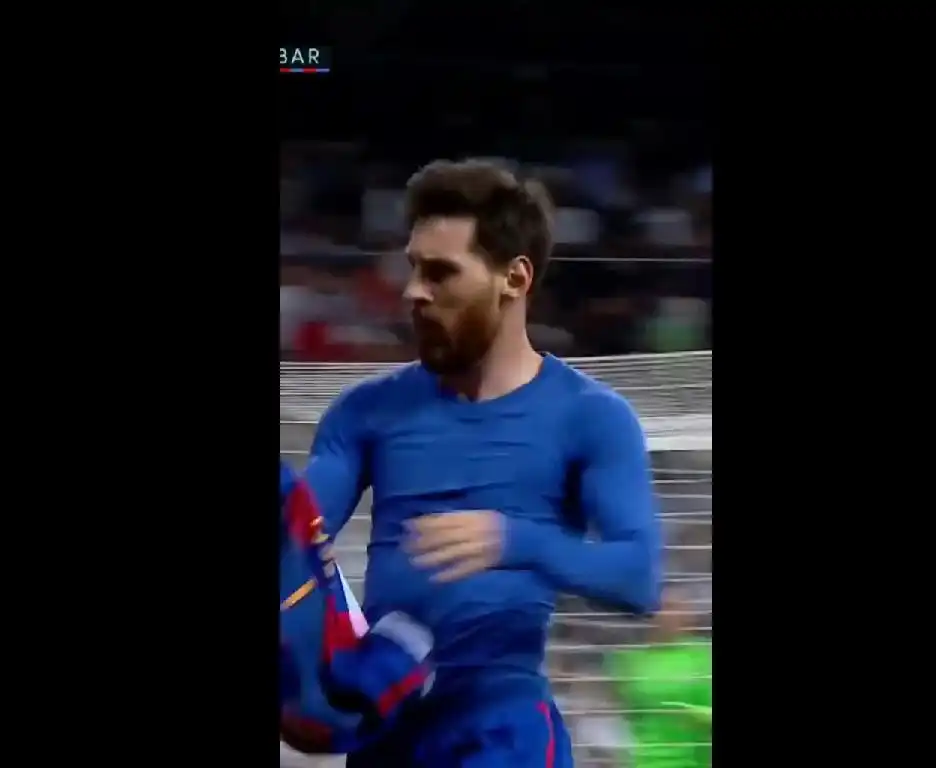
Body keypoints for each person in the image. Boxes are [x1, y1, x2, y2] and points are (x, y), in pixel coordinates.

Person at [283, 159, 662, 767]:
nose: (413, 291)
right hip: (386, 728)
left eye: (440, 272)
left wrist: (513, 540)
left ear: (514, 277)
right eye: (413, 267)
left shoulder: (592, 416)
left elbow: (638, 577)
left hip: (503, 731)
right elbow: (296, 535)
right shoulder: (364, 412)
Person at [607, 589, 712, 768]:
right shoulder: (630, 661)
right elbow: (626, 715)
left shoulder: (703, 657)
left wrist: (694, 714)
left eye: (676, 608)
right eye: (662, 608)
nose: (669, 615)